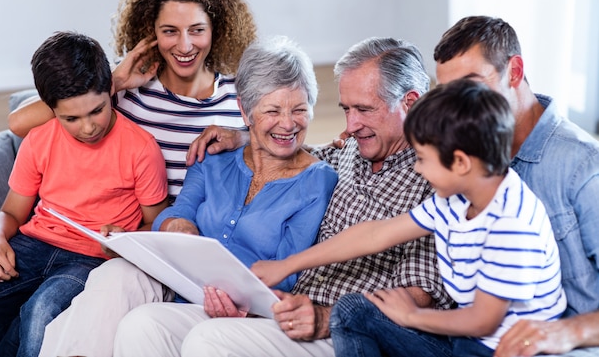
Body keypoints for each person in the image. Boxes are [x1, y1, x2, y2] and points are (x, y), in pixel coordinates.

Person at [111, 37, 454, 356]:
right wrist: (244, 135)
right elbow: (294, 152)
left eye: (363, 109)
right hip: (288, 311)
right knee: (144, 325)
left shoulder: (437, 181)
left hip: (343, 330)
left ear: (410, 102)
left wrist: (324, 316)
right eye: (346, 109)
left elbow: (416, 296)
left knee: (210, 340)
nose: (349, 125)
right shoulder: (351, 150)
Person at [38, 36, 339, 357]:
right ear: (245, 111)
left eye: (300, 110)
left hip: (247, 310)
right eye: (273, 110)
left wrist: (237, 289)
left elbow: (287, 271)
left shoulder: (317, 180)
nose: (288, 123)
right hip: (181, 283)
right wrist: (176, 225)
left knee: (143, 324)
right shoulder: (214, 156)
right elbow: (174, 214)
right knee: (114, 274)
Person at [254, 78, 567, 357]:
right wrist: (286, 266)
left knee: (364, 314)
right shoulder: (458, 197)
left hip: (495, 347)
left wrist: (411, 317)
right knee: (352, 309)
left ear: (459, 163)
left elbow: (483, 320)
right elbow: (374, 235)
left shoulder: (511, 224)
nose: (417, 169)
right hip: (461, 339)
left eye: (422, 159)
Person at [0, 31, 169, 357]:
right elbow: (10, 213)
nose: (89, 127)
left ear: (110, 91)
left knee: (40, 314)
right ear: (51, 110)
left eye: (97, 111)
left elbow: (157, 223)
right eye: (71, 118)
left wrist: (126, 239)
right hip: (33, 244)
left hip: (90, 259)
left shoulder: (140, 148)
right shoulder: (40, 139)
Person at [8, 0, 257, 201]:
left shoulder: (239, 92)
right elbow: (19, 123)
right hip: (137, 232)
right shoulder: (123, 86)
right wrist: (112, 81)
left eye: (197, 30)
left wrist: (242, 138)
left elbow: (289, 143)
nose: (184, 46)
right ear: (152, 32)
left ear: (216, 29)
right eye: (170, 31)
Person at [432, 16, 599, 357]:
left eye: (472, 87)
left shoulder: (582, 166)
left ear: (515, 71)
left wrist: (569, 331)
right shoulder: (465, 157)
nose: (458, 109)